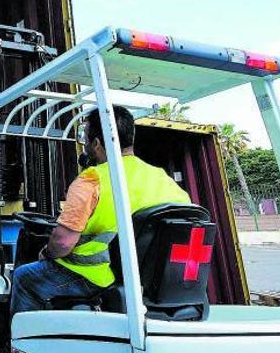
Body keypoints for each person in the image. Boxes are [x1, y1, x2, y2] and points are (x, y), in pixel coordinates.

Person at [10, 106, 191, 315]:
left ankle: (19, 345)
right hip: (150, 280)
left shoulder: (92, 179)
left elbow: (62, 243)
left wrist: (46, 252)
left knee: (24, 277)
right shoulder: (162, 178)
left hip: (96, 277)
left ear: (96, 143)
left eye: (86, 139)